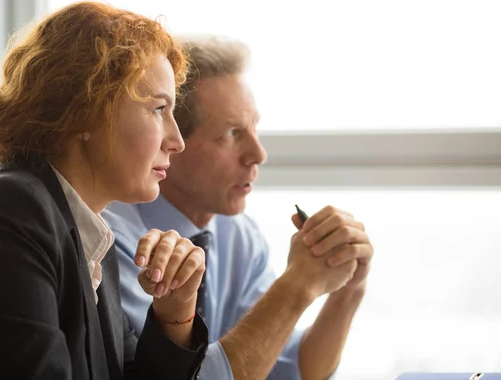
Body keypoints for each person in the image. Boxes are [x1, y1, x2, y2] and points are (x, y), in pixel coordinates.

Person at [0, 2, 210, 379]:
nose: (176, 140)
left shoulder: (86, 237)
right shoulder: (4, 217)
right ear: (85, 111)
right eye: (158, 109)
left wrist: (176, 309)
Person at [102, 35, 374, 380]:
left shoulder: (240, 236)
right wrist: (296, 287)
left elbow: (290, 371)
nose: (258, 155)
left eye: (253, 128)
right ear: (171, 143)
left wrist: (349, 290)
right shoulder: (113, 241)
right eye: (231, 134)